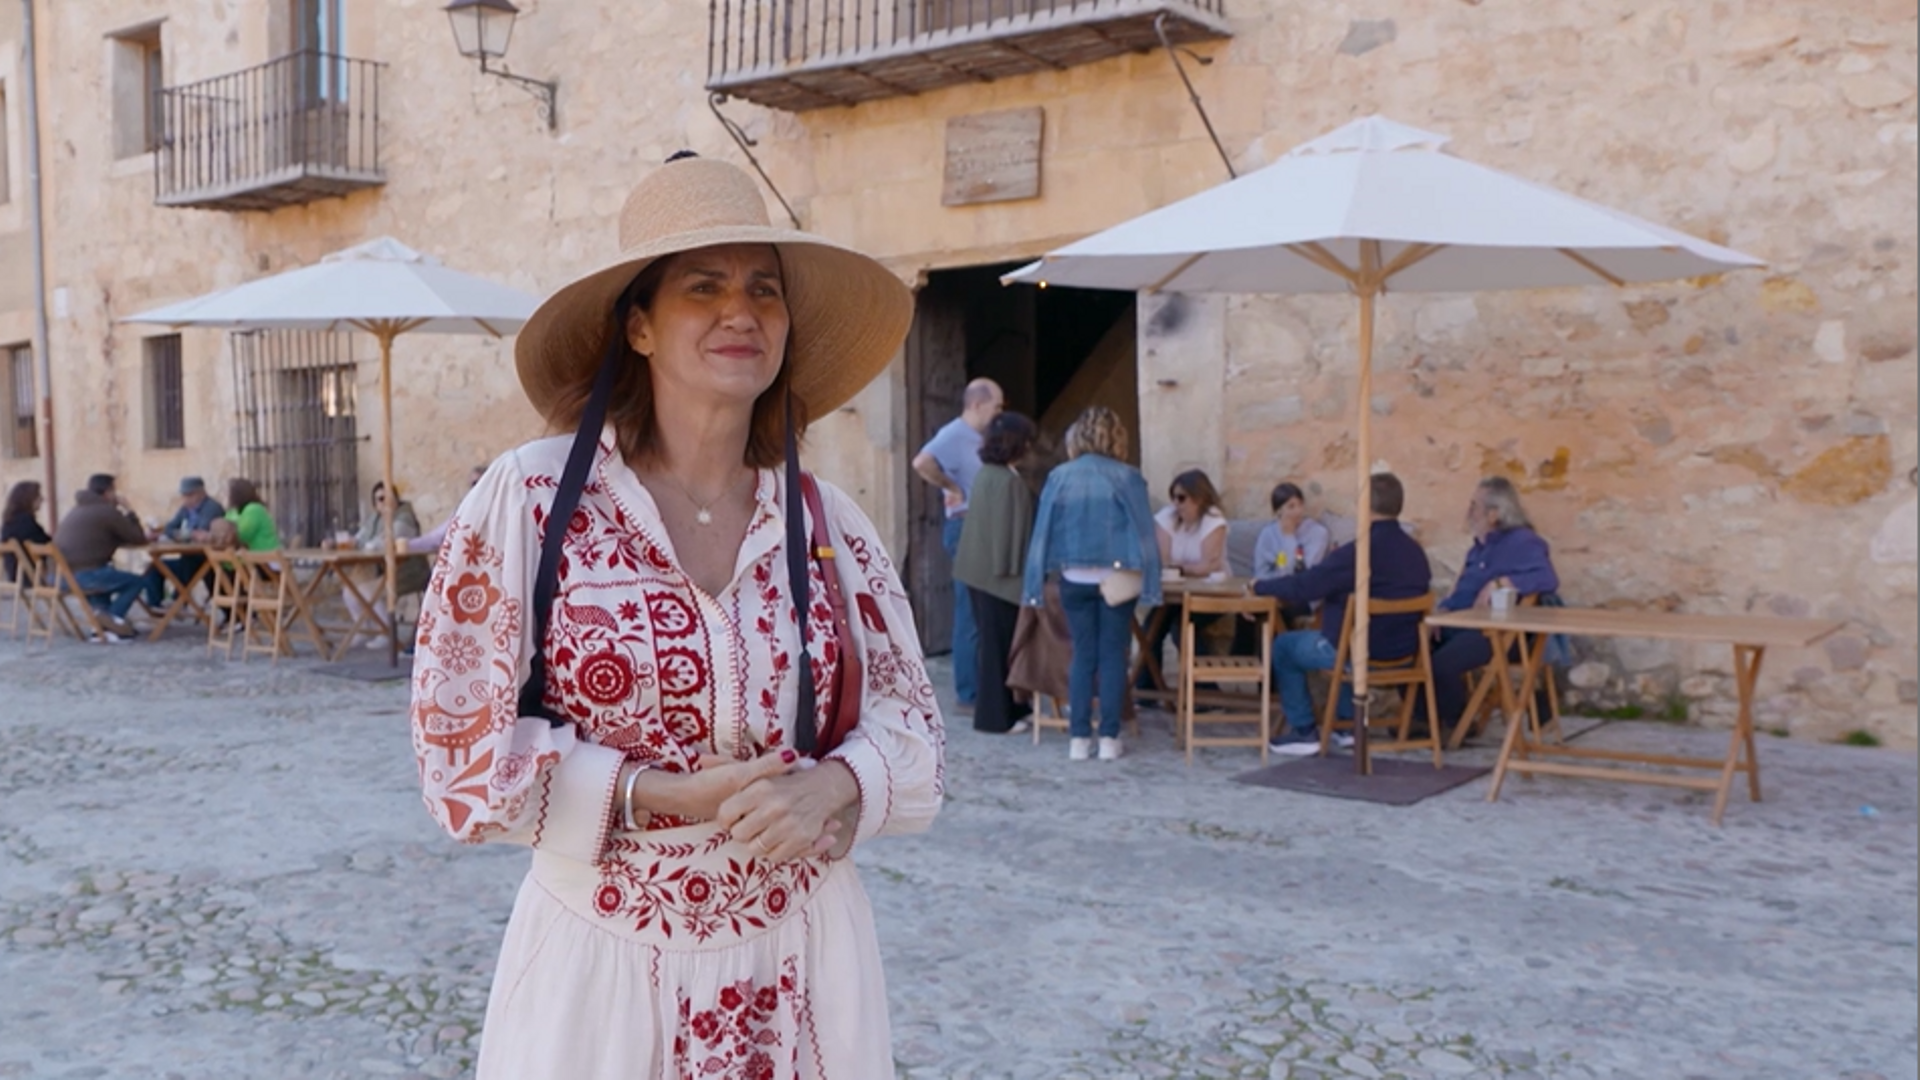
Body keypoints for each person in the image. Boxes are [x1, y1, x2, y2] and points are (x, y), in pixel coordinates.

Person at [409, 153, 941, 1078]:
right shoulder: (532, 500)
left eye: (764, 291)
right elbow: (457, 758)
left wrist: (837, 786)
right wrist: (651, 795)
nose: (742, 311)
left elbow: (915, 729)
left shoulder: (823, 520)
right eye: (705, 287)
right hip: (600, 970)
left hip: (800, 961)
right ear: (641, 327)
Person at [1252, 473, 1432, 754]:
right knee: (1345, 636)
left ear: (1365, 505)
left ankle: (1303, 731)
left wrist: (1260, 587)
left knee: (1286, 646)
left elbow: (1305, 585)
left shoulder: (1359, 553)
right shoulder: (1415, 553)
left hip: (1358, 654)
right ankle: (1348, 725)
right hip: (1405, 653)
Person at [1023, 406, 1160, 761]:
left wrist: (1034, 585)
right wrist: (1152, 584)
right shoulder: (1128, 477)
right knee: (1113, 656)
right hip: (1117, 577)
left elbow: (1042, 533)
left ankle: (1079, 738)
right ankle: (1110, 738)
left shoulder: (1059, 476)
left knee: (1083, 655)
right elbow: (1145, 534)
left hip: (1073, 576)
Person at [1427, 476, 1560, 737]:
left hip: (1498, 632)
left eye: (1474, 505)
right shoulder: (1479, 548)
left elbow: (1548, 578)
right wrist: (1443, 610)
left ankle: (1456, 726)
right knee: (1412, 647)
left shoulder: (1522, 541)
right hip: (1463, 622)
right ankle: (1423, 721)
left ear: (1494, 514)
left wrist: (1501, 582)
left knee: (1441, 664)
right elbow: (1461, 589)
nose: (1469, 512)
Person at [912, 377, 1005, 710]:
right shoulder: (955, 434)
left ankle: (978, 685)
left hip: (979, 528)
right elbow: (922, 462)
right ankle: (968, 693)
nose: (999, 413)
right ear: (977, 405)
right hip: (965, 528)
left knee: (979, 610)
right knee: (970, 610)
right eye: (996, 406)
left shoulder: (978, 437)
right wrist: (952, 487)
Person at [953, 411, 1038, 735]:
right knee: (997, 648)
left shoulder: (989, 474)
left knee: (993, 645)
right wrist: (1018, 579)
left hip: (979, 573)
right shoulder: (1008, 481)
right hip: (998, 578)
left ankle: (1013, 708)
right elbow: (1009, 537)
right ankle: (995, 718)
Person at [1137, 468, 1229, 688]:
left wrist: (1180, 568)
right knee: (1151, 627)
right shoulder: (1168, 517)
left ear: (1199, 498)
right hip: (1176, 594)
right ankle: (1149, 688)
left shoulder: (1213, 520)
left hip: (1210, 593)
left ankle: (1207, 691)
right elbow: (1164, 560)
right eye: (1173, 498)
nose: (1176, 504)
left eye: (1182, 498)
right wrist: (1186, 568)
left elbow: (1208, 566)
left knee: (1182, 628)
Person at [52, 473, 150, 640]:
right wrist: (130, 511)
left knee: (104, 574)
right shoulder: (107, 511)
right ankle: (111, 619)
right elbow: (137, 538)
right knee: (138, 581)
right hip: (83, 576)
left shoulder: (76, 509)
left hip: (58, 576)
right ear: (108, 492)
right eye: (114, 491)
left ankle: (100, 629)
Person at [342, 480, 429, 647]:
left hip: (408, 570)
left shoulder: (404, 517)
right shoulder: (375, 518)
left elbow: (388, 541)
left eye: (388, 498)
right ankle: (363, 629)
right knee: (349, 591)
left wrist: (364, 544)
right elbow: (360, 538)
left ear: (396, 499)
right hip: (383, 570)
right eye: (379, 499)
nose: (384, 503)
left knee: (366, 590)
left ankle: (386, 632)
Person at [141, 476, 226, 608]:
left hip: (205, 558)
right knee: (155, 566)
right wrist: (183, 534)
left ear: (201, 492)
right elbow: (170, 527)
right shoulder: (185, 508)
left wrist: (185, 534)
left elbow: (202, 532)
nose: (186, 499)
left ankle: (179, 599)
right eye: (184, 495)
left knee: (186, 563)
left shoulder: (212, 508)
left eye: (190, 495)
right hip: (188, 555)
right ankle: (156, 606)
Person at [1253, 481, 1331, 582]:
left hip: (1304, 592)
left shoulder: (1317, 533)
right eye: (1291, 506)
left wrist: (1288, 536)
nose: (1298, 511)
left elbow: (1304, 573)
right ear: (1278, 511)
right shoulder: (1267, 534)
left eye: (1300, 504)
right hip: (1273, 590)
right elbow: (1260, 573)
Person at [406, 465, 488, 555]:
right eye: (473, 485)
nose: (476, 489)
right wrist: (407, 545)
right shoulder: (465, 508)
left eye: (478, 483)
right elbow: (438, 537)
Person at [2, 481, 51, 582]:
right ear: (28, 500)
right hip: (31, 577)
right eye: (38, 496)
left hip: (15, 576)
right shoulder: (27, 524)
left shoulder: (8, 523)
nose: (42, 499)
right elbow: (48, 545)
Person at [223, 478, 279, 551]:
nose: (227, 496)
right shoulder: (232, 512)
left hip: (266, 556)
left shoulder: (254, 509)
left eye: (229, 493)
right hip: (246, 557)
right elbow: (224, 527)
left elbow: (243, 535)